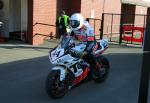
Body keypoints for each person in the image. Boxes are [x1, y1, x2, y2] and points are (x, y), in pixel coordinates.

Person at [69, 13, 102, 78]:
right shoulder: (72, 27)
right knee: (72, 52)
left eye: (75, 22)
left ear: (80, 22)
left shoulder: (88, 28)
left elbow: (91, 42)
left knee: (89, 55)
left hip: (91, 43)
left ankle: (98, 70)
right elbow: (69, 36)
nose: (73, 24)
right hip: (82, 43)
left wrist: (86, 51)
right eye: (72, 22)